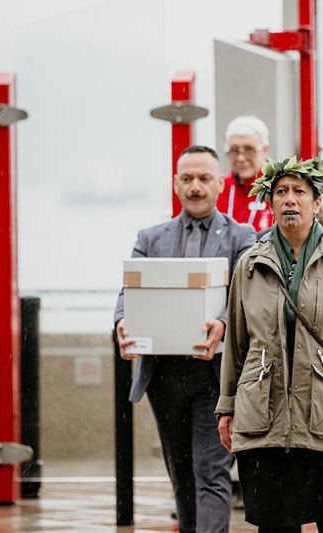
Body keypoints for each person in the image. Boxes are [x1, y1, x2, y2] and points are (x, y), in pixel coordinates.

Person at [214, 156, 323, 532]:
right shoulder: (250, 265)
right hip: (266, 414)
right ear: (269, 201)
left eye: (299, 192)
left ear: (317, 201)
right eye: (281, 192)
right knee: (275, 524)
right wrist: (228, 406)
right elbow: (236, 346)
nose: (290, 200)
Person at [114, 145, 256, 533]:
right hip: (163, 374)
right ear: (175, 183)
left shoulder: (242, 236)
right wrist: (122, 322)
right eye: (188, 178)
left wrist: (224, 323)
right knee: (181, 474)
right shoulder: (150, 238)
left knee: (211, 470)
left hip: (215, 375)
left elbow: (249, 295)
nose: (195, 187)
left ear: (219, 184)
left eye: (204, 179)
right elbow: (129, 291)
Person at [217, 116, 275, 234]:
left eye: (249, 150)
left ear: (265, 150)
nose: (241, 158)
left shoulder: (279, 190)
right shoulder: (218, 189)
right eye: (234, 150)